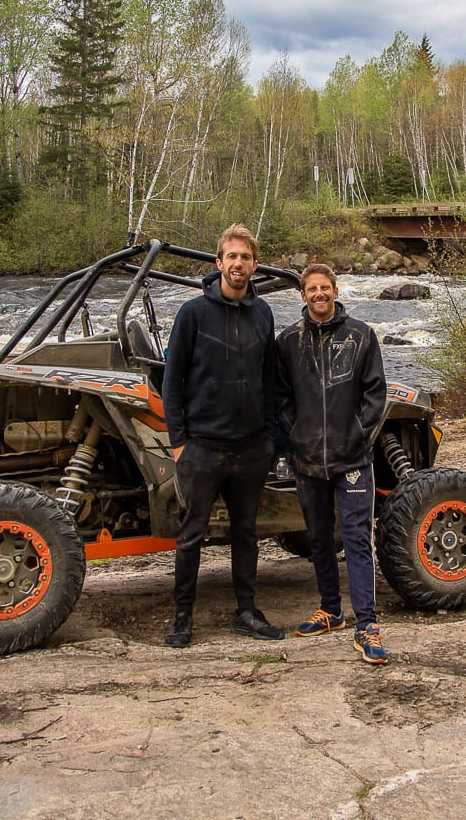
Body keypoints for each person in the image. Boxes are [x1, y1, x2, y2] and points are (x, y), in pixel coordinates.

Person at [160, 224, 284, 648]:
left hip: (250, 448)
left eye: (246, 258)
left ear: (253, 265)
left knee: (246, 533)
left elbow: (270, 380)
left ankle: (246, 612)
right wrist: (179, 443)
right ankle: (182, 617)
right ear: (218, 264)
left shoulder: (262, 313)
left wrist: (268, 437)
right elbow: (171, 381)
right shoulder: (193, 313)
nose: (238, 264)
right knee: (191, 533)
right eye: (231, 257)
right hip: (202, 448)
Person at [275, 263, 390, 665]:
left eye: (325, 288)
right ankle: (331, 610)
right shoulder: (288, 340)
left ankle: (367, 625)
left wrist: (356, 435)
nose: (319, 294)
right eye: (312, 289)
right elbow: (280, 397)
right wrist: (297, 434)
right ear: (302, 295)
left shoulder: (361, 335)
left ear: (336, 291)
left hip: (352, 458)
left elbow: (376, 394)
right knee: (319, 537)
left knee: (357, 539)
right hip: (307, 458)